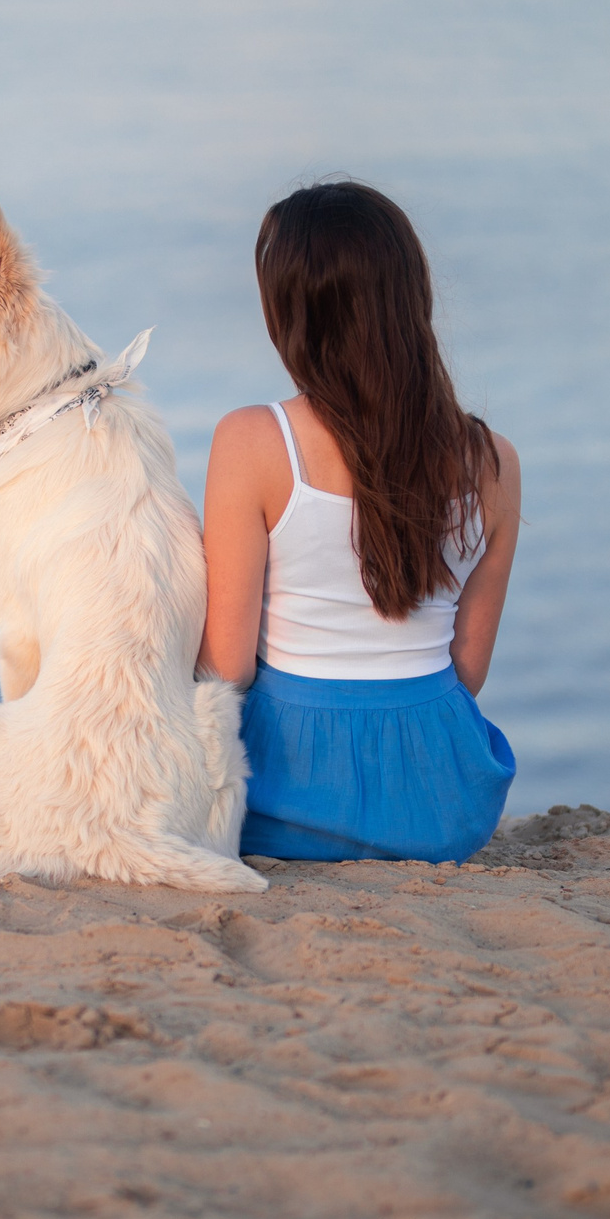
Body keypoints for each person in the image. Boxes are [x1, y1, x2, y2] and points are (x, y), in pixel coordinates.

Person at [199, 181, 520, 863]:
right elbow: (467, 668)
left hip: (281, 798)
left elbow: (227, 667)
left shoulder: (253, 440)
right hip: (442, 805)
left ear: (293, 316)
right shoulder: (494, 462)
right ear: (415, 296)